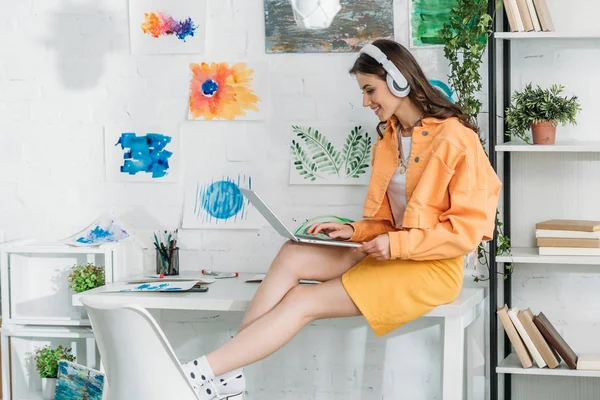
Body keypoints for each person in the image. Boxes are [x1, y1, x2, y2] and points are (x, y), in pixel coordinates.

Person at [182, 38, 502, 399]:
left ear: (398, 80)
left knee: (302, 300)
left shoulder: (457, 140)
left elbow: (467, 233)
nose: (366, 101)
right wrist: (353, 230)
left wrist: (394, 243)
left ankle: (199, 373)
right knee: (293, 252)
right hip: (392, 250)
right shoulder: (390, 139)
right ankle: (229, 372)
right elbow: (388, 221)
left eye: (370, 90)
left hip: (432, 267)